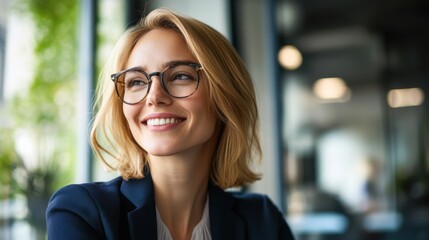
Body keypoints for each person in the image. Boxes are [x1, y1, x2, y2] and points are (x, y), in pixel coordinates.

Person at [46, 8, 295, 240]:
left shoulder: (263, 221)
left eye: (180, 76)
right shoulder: (81, 211)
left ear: (224, 95)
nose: (154, 96)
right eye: (136, 82)